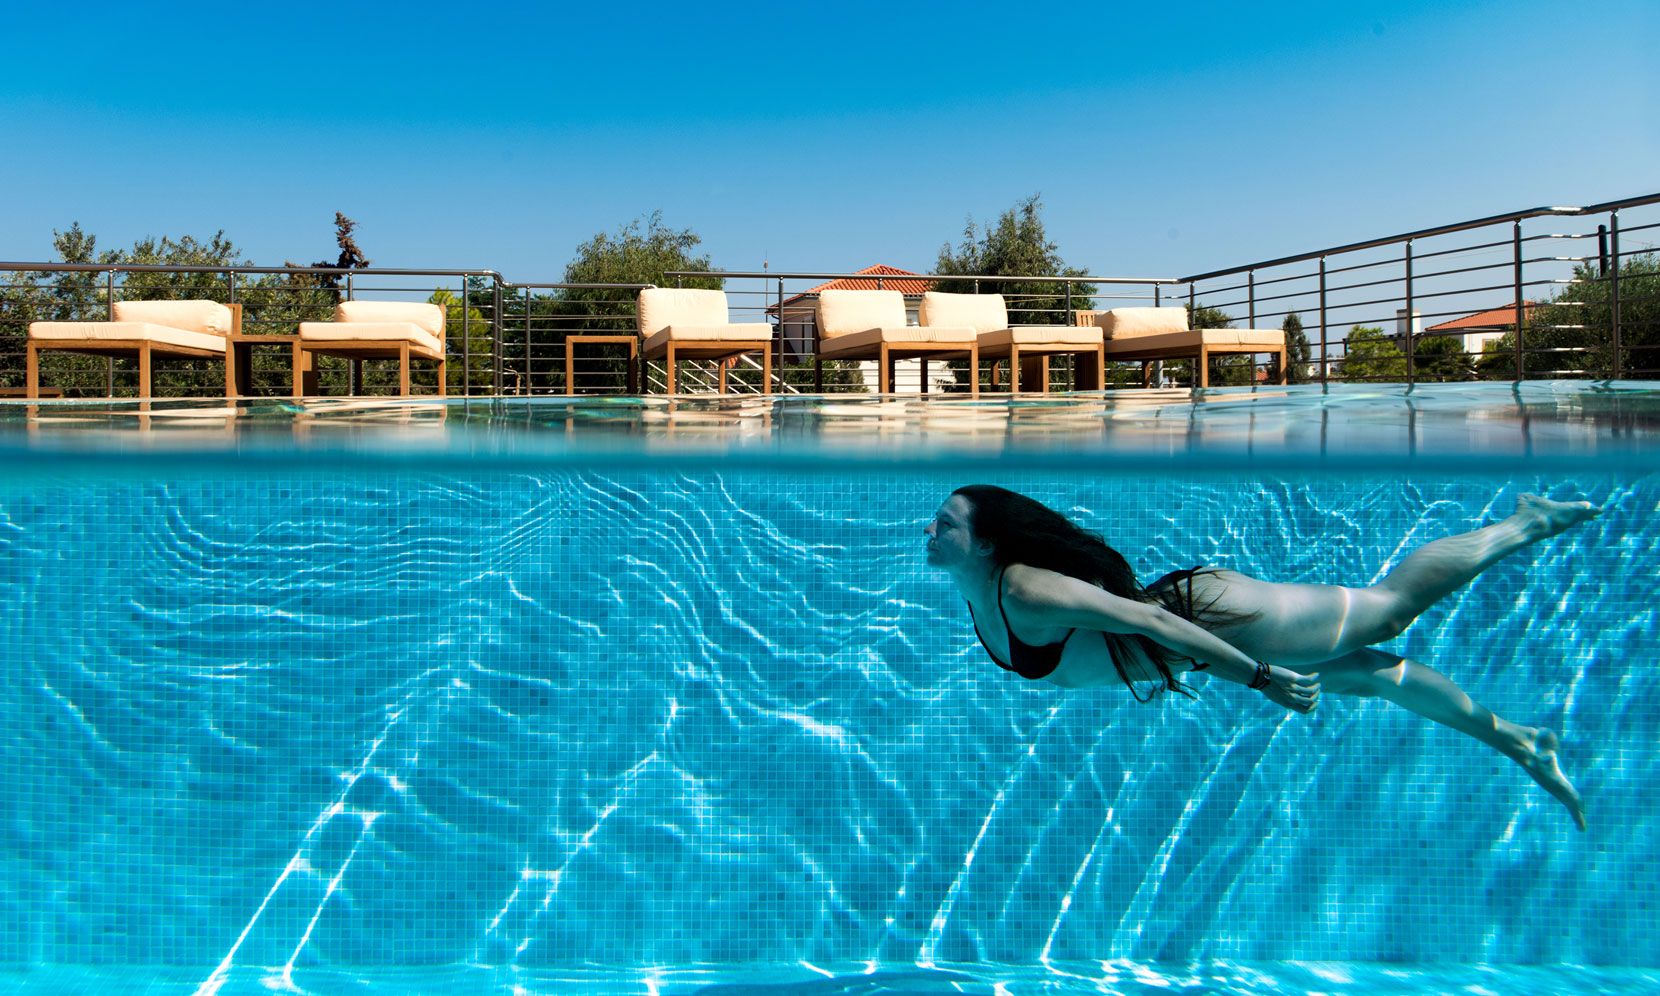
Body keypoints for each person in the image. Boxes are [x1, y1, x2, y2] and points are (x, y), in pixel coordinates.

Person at [924, 484, 1600, 831]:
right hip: (1196, 652)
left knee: (1388, 610)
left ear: (986, 544)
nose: (928, 530)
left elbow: (1149, 620)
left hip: (1207, 616)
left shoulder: (1023, 589)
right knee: (1371, 675)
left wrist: (1260, 676)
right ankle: (1521, 742)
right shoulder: (976, 589)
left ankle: (1526, 522)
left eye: (944, 524)